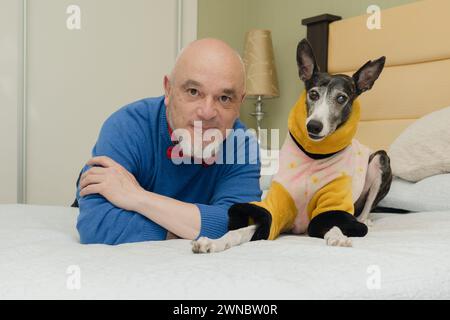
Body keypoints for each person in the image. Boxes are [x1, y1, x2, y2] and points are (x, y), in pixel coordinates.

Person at [73, 38, 262, 245]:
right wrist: (191, 228)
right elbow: (96, 225)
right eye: (193, 92)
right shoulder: (127, 126)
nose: (207, 112)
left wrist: (137, 197)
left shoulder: (242, 145)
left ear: (239, 104)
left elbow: (240, 225)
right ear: (168, 90)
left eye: (224, 98)